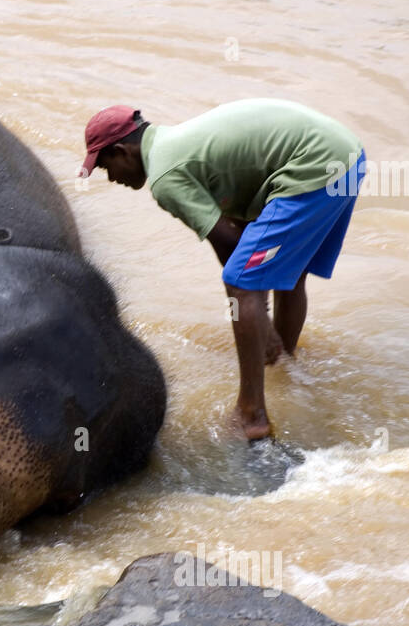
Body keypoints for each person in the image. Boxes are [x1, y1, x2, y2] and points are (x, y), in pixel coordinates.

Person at [79, 99, 364, 440]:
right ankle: (284, 366)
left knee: (240, 282)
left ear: (123, 152)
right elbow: (234, 234)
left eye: (105, 166)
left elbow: (229, 244)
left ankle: (251, 414)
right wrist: (262, 323)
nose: (110, 178)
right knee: (289, 273)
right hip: (347, 156)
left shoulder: (166, 177)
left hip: (314, 166)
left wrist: (262, 323)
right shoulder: (177, 142)